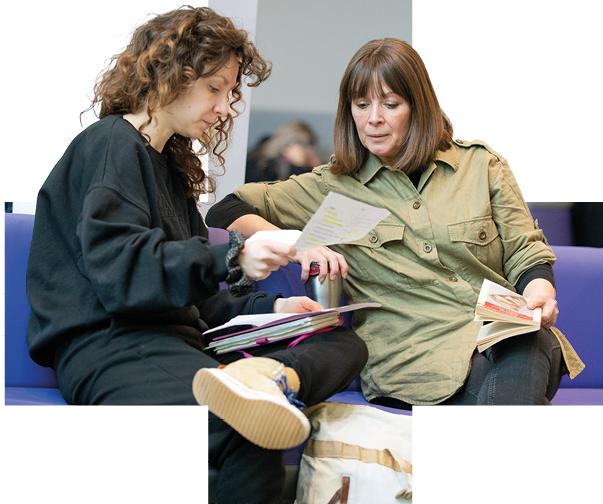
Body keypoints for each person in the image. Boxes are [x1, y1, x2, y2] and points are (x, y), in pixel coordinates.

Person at [24, 7, 367, 503]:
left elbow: (202, 308)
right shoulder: (110, 145)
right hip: (113, 346)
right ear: (169, 74)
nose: (225, 107)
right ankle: (256, 392)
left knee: (345, 344)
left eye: (230, 93)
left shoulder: (170, 168)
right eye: (215, 87)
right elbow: (122, 274)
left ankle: (264, 379)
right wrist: (233, 255)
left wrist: (275, 310)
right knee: (252, 430)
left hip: (180, 345)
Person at [207, 38, 584, 407]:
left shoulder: (481, 166)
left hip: (503, 338)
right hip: (413, 362)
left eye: (390, 104)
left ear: (418, 106)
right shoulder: (334, 186)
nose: (373, 119)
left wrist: (540, 294)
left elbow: (526, 252)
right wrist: (297, 243)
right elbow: (227, 208)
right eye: (361, 104)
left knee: (530, 341)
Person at [245, 121, 321, 182]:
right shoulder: (258, 163)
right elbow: (293, 193)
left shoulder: (308, 165)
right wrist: (298, 167)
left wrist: (316, 168)